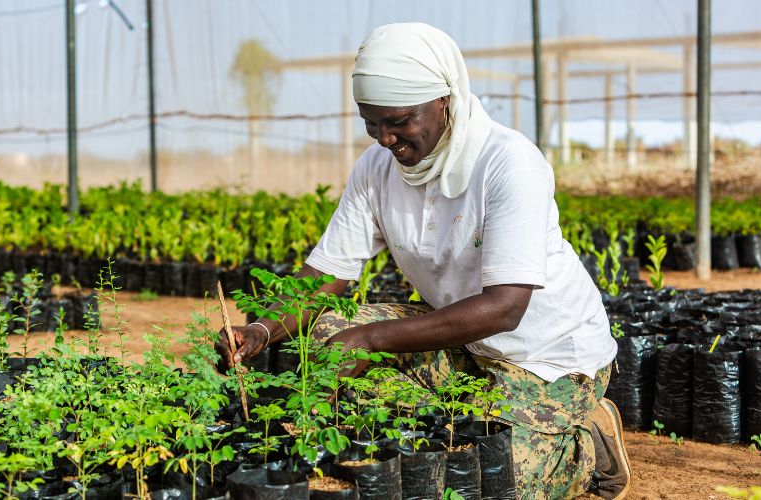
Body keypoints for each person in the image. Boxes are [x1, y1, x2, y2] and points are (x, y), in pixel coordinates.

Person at [218, 22, 630, 499]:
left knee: (488, 481)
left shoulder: (508, 164)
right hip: (462, 341)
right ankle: (470, 421)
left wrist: (370, 338)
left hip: (546, 356)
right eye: (372, 123)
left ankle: (585, 449)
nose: (385, 139)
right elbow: (327, 274)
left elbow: (505, 307)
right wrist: (262, 331)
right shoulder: (376, 170)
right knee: (332, 341)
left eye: (399, 121)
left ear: (445, 100)